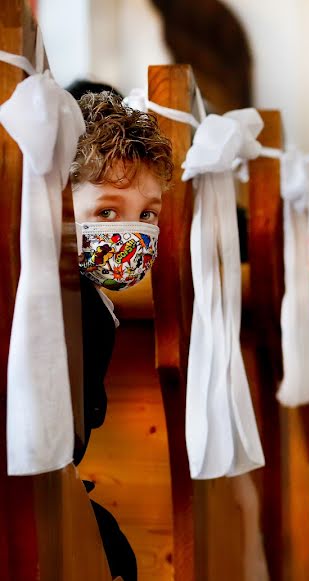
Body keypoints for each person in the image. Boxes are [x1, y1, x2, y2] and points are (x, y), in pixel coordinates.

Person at [71, 91, 174, 581]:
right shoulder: (70, 308)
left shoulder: (95, 304)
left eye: (147, 214)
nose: (131, 231)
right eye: (108, 213)